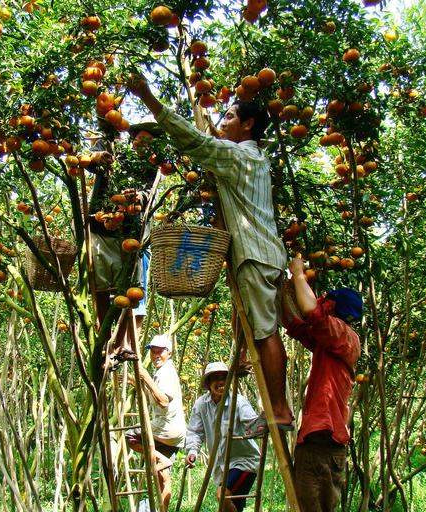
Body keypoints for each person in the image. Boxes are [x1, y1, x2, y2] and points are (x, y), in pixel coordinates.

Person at [128, 76, 293, 437]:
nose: (223, 123)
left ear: (249, 124)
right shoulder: (250, 158)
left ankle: (279, 411)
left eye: (231, 116)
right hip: (259, 255)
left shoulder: (241, 156)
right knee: (251, 327)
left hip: (254, 255)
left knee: (265, 333)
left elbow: (195, 141)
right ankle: (270, 398)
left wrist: (150, 99)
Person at [280, 256, 362, 512]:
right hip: (325, 443)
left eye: (326, 301)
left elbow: (309, 313)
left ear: (335, 309)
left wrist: (298, 274)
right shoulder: (330, 343)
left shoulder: (342, 334)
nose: (321, 302)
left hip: (320, 442)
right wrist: (281, 288)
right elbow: (297, 326)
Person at [88, 122, 163, 364]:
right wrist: (98, 156)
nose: (142, 144)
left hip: (130, 233)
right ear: (131, 141)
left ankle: (118, 342)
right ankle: (104, 336)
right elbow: (89, 159)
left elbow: (147, 194)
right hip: (101, 225)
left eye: (149, 141)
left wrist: (137, 197)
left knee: (129, 289)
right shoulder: (114, 153)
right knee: (100, 284)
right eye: (140, 138)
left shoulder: (153, 168)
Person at [185, 362, 261, 512]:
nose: (220, 382)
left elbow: (252, 421)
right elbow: (195, 431)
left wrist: (259, 425)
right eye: (215, 379)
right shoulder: (201, 404)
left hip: (243, 462)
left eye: (224, 378)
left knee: (223, 495)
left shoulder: (238, 402)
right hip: (221, 466)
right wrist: (192, 451)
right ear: (208, 383)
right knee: (231, 506)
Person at [123, 334, 186, 510]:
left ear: (170, 354)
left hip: (164, 428)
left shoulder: (166, 372)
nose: (156, 355)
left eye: (160, 352)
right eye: (153, 352)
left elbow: (163, 401)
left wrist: (146, 377)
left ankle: (163, 459)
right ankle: (163, 509)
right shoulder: (162, 372)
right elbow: (154, 394)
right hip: (173, 432)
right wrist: (137, 382)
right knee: (163, 477)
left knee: (129, 436)